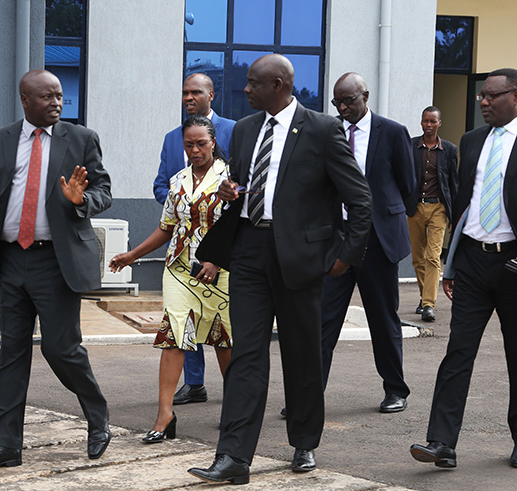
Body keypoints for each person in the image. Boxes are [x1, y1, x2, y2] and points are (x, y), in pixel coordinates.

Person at [187, 54, 372, 484]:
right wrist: (233, 189)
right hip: (251, 249)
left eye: (252, 84)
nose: (245, 90)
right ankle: (233, 457)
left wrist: (343, 256)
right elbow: (243, 180)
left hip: (301, 257)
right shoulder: (247, 129)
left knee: (301, 353)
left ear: (278, 85)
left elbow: (360, 200)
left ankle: (304, 442)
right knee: (247, 355)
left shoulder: (324, 130)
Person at [0, 69, 113, 472]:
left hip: (56, 261)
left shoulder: (81, 139)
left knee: (60, 348)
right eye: (48, 97)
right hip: (10, 260)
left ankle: (97, 415)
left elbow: (104, 191)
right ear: (25, 99)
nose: (57, 103)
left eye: (59, 96)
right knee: (11, 353)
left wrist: (80, 199)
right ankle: (5, 447)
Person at [410, 68, 517, 469]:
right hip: (472, 264)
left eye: (491, 96)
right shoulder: (471, 140)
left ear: (516, 97)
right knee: (457, 353)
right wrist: (450, 263)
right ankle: (441, 443)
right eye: (482, 95)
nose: (483, 101)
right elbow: (464, 203)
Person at [110, 115, 232, 445]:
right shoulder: (177, 181)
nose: (195, 150)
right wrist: (131, 255)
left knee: (224, 339)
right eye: (189, 144)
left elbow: (240, 227)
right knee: (174, 335)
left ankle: (235, 409)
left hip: (221, 271)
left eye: (201, 143)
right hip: (179, 268)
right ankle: (165, 414)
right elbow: (167, 227)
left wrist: (217, 259)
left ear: (213, 142)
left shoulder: (229, 178)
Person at [318, 72, 416, 415]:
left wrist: (385, 220)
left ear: (366, 96)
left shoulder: (392, 132)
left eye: (349, 101)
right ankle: (310, 394)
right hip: (337, 240)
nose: (343, 108)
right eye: (337, 103)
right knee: (322, 320)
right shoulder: (327, 131)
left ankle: (395, 390)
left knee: (383, 318)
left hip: (378, 240)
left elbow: (409, 186)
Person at [152, 73, 235, 406]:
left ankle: (237, 401)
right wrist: (180, 201)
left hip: (221, 252)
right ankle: (194, 383)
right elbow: (161, 183)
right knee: (181, 323)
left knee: (221, 328)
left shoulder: (233, 130)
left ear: (210, 94)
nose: (188, 97)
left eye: (195, 92)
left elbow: (240, 188)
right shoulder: (173, 137)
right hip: (182, 249)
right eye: (184, 92)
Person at [408, 106, 458, 322]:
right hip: (415, 207)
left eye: (433, 121)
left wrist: (454, 217)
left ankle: (429, 304)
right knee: (417, 258)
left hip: (438, 207)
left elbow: (454, 184)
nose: (429, 125)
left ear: (439, 123)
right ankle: (423, 295)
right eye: (425, 121)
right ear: (421, 122)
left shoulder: (450, 150)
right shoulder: (410, 146)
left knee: (433, 256)